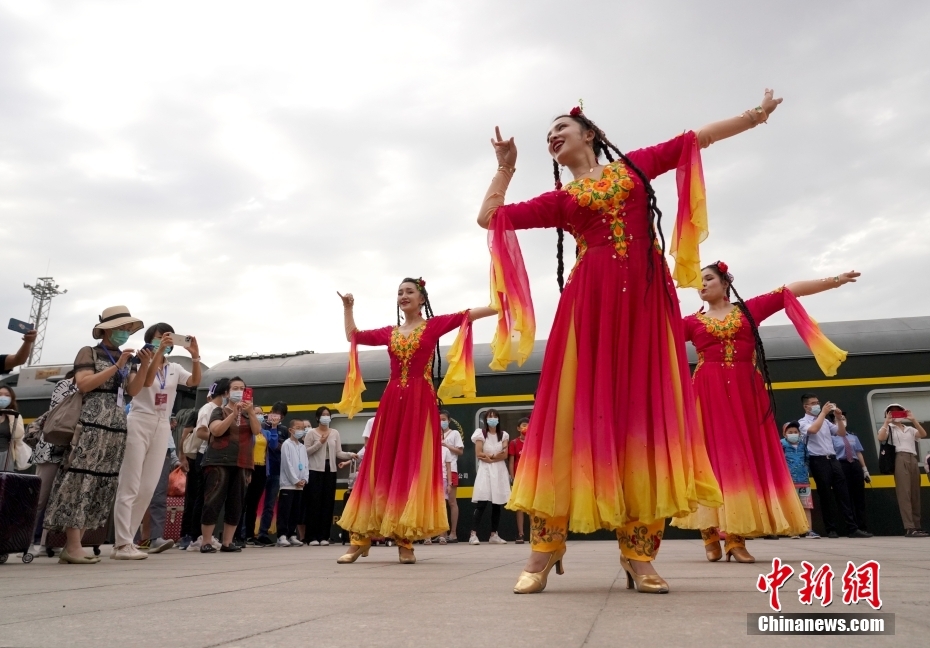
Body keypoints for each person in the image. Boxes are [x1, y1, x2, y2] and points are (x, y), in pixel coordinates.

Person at [478, 91, 787, 594]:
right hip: (589, 307)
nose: (554, 137)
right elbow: (491, 218)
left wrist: (755, 117)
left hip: (646, 305)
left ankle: (638, 553)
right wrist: (505, 169)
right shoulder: (560, 199)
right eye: (548, 136)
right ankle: (545, 546)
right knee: (569, 415)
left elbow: (697, 139)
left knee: (646, 417)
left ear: (590, 134)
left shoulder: (635, 169)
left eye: (562, 128)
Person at [673, 262, 859, 561]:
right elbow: (654, 331)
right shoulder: (690, 322)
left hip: (747, 393)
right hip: (707, 394)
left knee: (742, 460)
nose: (702, 285)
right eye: (698, 281)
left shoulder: (748, 311)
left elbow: (790, 291)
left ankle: (736, 537)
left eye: (708, 278)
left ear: (725, 281)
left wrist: (835, 280)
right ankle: (708, 530)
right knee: (709, 458)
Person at [334, 279, 496, 565]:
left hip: (420, 403)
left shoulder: (432, 326)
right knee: (379, 463)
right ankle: (360, 538)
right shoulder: (389, 332)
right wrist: (348, 308)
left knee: (410, 467)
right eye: (400, 292)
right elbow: (353, 336)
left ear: (422, 298)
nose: (404, 296)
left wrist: (501, 302)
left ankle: (405, 540)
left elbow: (469, 314)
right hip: (392, 400)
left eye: (410, 291)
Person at [44, 305, 150, 565]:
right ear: (108, 329)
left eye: (128, 329)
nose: (125, 333)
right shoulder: (89, 352)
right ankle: (72, 545)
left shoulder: (128, 357)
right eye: (122, 328)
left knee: (101, 482)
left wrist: (144, 365)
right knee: (80, 480)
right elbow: (84, 384)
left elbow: (134, 390)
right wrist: (117, 366)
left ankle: (77, 543)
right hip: (90, 423)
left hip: (115, 425)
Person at [112, 324, 200, 560]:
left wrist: (195, 356)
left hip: (162, 425)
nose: (167, 342)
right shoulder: (139, 362)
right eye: (162, 338)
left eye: (169, 339)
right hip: (139, 419)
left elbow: (194, 382)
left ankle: (128, 541)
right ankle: (121, 543)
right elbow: (146, 384)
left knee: (148, 487)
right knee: (130, 483)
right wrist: (157, 353)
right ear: (150, 340)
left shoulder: (174, 368)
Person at [201, 377, 262, 553]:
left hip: (242, 462)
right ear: (227, 393)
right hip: (219, 461)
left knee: (236, 502)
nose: (239, 391)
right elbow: (216, 430)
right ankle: (206, 541)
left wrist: (250, 413)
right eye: (235, 388)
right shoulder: (219, 411)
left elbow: (257, 431)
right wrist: (233, 414)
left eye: (242, 388)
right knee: (213, 500)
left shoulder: (247, 413)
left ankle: (227, 542)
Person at [798, 394, 871, 538]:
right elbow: (813, 430)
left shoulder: (825, 421)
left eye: (817, 402)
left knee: (843, 493)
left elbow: (841, 433)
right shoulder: (802, 422)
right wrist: (824, 413)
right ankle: (830, 529)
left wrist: (838, 417)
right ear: (806, 407)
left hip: (833, 459)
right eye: (813, 403)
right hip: (817, 460)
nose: (817, 405)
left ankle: (852, 528)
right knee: (825, 495)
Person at [28, 372, 79, 554]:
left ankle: (45, 542)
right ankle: (25, 542)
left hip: (69, 452)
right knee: (40, 499)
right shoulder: (64, 386)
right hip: (50, 448)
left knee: (57, 499)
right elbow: (62, 415)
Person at [183, 379, 228, 551]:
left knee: (212, 497)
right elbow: (201, 431)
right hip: (205, 455)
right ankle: (196, 537)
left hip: (217, 455)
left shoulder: (223, 410)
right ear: (225, 393)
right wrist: (218, 438)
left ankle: (207, 535)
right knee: (202, 497)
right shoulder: (208, 409)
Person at [304, 407, 355, 546]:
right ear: (318, 418)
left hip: (330, 470)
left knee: (327, 503)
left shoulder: (335, 433)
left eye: (328, 415)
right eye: (323, 415)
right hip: (314, 470)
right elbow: (305, 452)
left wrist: (350, 455)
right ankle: (312, 536)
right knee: (314, 503)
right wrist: (319, 442)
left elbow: (338, 452)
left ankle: (324, 536)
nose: (326, 417)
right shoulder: (311, 433)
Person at [878, 404, 928, 537]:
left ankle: (917, 525)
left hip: (913, 458)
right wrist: (886, 422)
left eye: (899, 412)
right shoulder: (889, 428)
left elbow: (923, 434)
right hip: (899, 458)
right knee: (904, 493)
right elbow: (881, 438)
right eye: (892, 412)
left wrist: (913, 419)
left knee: (915, 493)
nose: (896, 414)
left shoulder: (909, 429)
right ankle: (909, 527)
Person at [469, 409, 511, 545]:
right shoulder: (480, 434)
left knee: (497, 504)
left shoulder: (504, 435)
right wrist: (493, 457)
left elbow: (504, 454)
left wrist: (491, 457)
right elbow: (479, 453)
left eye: (495, 417)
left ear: (498, 419)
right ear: (486, 419)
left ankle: (494, 534)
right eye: (489, 417)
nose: (492, 419)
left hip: (499, 471)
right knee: (482, 503)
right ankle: (473, 534)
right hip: (485, 470)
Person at [255, 401, 288, 547]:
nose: (275, 416)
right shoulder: (260, 426)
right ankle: (246, 532)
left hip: (276, 471)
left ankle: (263, 533)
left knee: (270, 504)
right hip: (261, 468)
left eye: (279, 415)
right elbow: (271, 444)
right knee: (253, 502)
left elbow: (284, 447)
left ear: (282, 417)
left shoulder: (284, 430)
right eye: (273, 412)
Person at [780, 421, 820, 539]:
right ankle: (793, 530)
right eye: (790, 432)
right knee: (792, 506)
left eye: (795, 432)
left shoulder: (803, 445)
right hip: (789, 482)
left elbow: (807, 459)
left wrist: (805, 469)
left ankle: (808, 530)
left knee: (806, 506)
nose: (793, 434)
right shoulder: (781, 444)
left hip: (803, 480)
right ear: (785, 434)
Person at [831, 424, 870, 534]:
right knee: (845, 497)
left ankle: (862, 527)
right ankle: (851, 527)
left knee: (859, 497)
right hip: (841, 465)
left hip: (855, 464)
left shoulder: (853, 437)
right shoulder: (832, 438)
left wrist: (865, 469)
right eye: (839, 420)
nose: (842, 421)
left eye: (844, 419)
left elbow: (858, 452)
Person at [277, 420, 309, 547]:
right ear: (291, 430)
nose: (301, 430)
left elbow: (306, 464)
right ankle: (282, 535)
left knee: (296, 511)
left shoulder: (302, 447)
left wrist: (304, 479)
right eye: (298, 428)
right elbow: (286, 464)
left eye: (302, 428)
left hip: (300, 486)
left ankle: (291, 534)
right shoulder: (286, 444)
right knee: (285, 511)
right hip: (288, 484)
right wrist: (295, 480)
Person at [440, 410, 464, 542]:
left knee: (452, 502)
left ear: (449, 421)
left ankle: (453, 533)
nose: (441, 422)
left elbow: (460, 451)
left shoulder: (454, 433)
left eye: (444, 419)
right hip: (437, 472)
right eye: (439, 419)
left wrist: (446, 445)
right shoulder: (434, 434)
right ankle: (442, 533)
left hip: (451, 470)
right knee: (440, 503)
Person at [508, 417, 529, 543]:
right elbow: (511, 462)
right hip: (519, 478)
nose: (525, 428)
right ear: (518, 428)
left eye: (528, 425)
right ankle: (521, 534)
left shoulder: (534, 441)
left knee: (533, 507)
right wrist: (512, 477)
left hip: (531, 478)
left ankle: (534, 533)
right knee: (519, 507)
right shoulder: (514, 443)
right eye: (523, 425)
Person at [0, 386, 29, 473]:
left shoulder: (15, 416)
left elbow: (18, 436)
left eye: (7, 395)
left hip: (6, 456)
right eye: (0, 394)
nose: (3, 397)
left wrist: (11, 417)